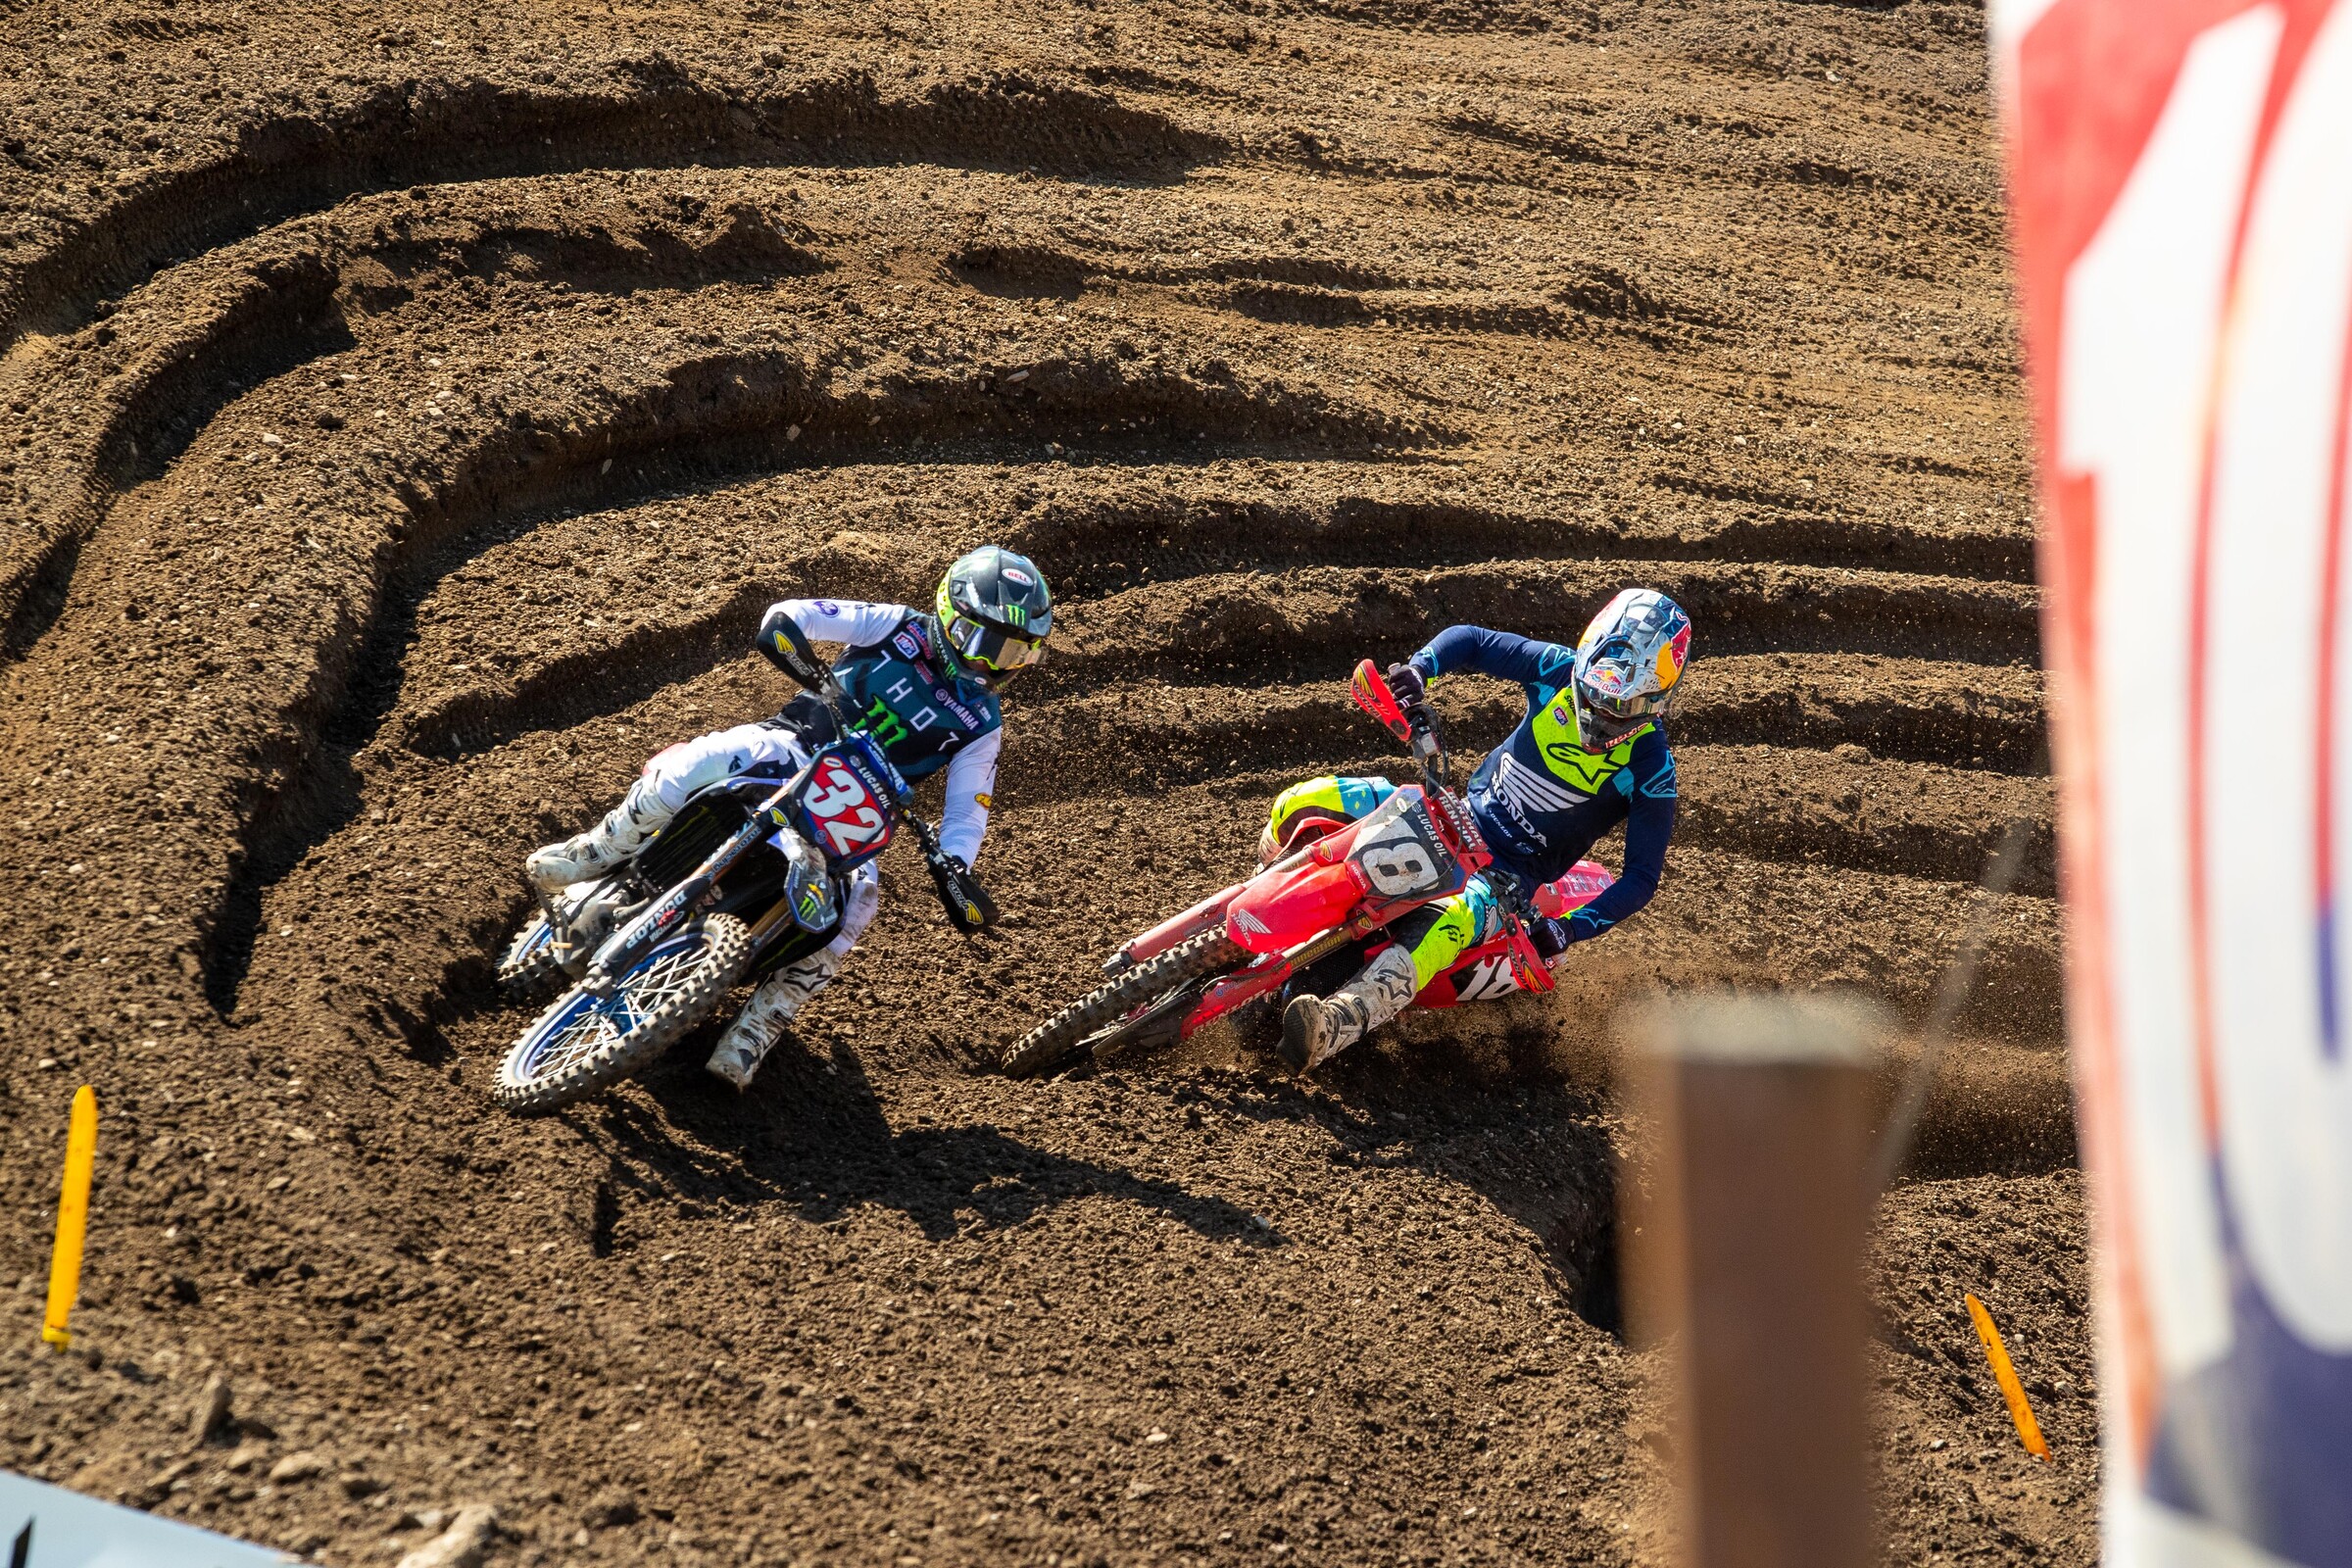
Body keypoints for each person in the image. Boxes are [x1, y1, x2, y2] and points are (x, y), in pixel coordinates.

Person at [523, 546, 1052, 1090]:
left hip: (860, 808)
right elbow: (788, 615)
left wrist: (956, 863)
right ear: (951, 615)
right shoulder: (895, 626)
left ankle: (763, 1020)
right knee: (703, 760)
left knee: (859, 903)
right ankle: (596, 851)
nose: (997, 664)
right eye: (991, 645)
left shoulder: (984, 722)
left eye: (1017, 653)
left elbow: (967, 811)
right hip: (793, 745)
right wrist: (814, 672)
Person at [1276, 588, 1689, 1070]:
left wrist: (1568, 930)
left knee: (1446, 924)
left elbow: (1641, 878)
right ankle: (1264, 898)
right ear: (1585, 665)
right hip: (1451, 810)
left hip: (1505, 879)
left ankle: (1334, 1025)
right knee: (1303, 800)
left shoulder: (1652, 768)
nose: (1604, 715)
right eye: (1596, 696)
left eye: (1625, 706)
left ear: (1658, 700)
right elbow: (1472, 639)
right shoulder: (1557, 668)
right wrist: (1419, 670)